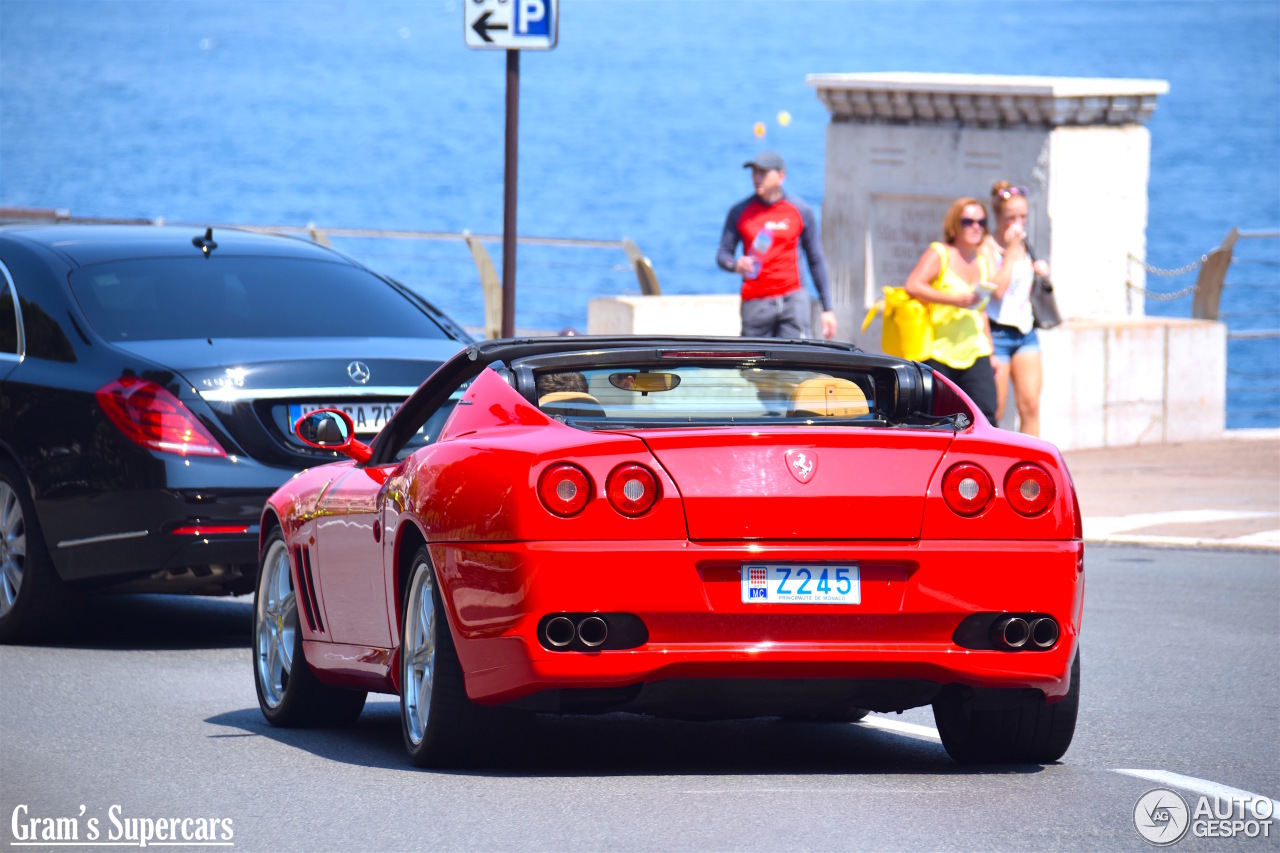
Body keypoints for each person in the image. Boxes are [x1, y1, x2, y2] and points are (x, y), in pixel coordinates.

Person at [716, 151, 837, 340]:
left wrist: (827, 308)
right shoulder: (739, 211)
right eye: (754, 173)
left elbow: (816, 259)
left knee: (796, 367)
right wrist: (736, 265)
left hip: (793, 303)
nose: (756, 178)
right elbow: (723, 255)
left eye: (762, 173)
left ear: (781, 177)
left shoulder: (800, 210)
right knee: (753, 369)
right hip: (756, 304)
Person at [901, 197, 998, 424]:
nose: (975, 227)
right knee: (940, 421)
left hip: (976, 350)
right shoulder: (940, 253)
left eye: (981, 222)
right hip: (939, 352)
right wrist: (954, 300)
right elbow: (913, 285)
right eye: (968, 221)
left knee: (986, 415)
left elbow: (981, 310)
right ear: (955, 224)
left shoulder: (982, 261)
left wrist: (992, 352)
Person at [982, 182, 1050, 436]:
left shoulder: (1024, 245)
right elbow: (996, 291)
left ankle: (1031, 474)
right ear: (998, 216)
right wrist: (1010, 252)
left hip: (1025, 332)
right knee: (994, 411)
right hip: (997, 334)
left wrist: (1039, 270)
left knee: (1030, 405)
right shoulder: (988, 246)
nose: (1018, 224)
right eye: (1011, 218)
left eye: (1022, 217)